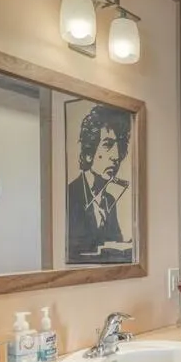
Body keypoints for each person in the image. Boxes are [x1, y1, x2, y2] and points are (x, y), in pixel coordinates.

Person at [67, 105, 133, 263]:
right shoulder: (70, 196)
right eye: (108, 145)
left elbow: (113, 245)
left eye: (119, 146)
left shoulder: (109, 200)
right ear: (88, 153)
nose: (116, 156)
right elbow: (73, 253)